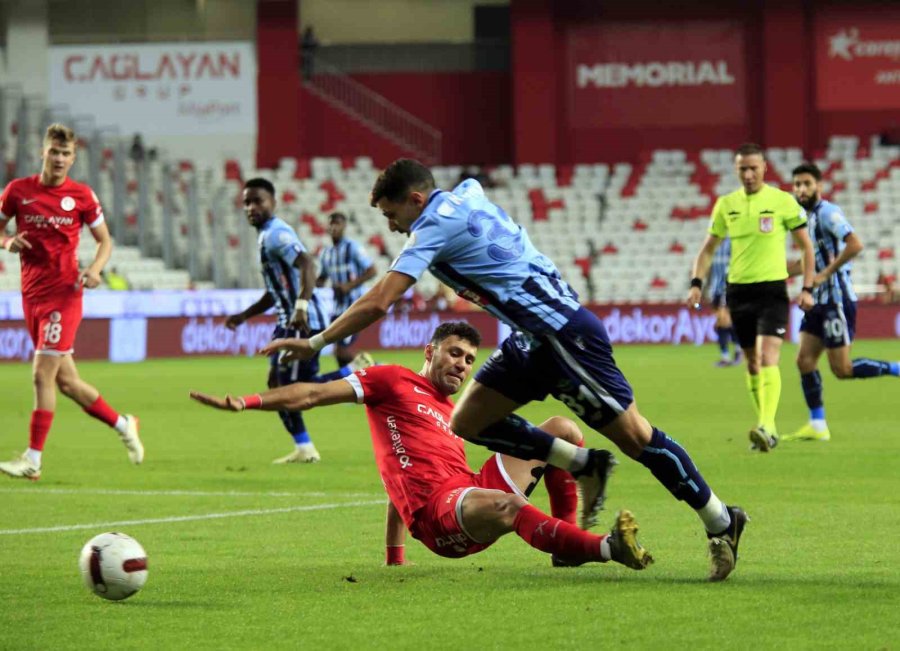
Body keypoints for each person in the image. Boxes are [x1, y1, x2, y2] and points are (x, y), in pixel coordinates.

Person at [260, 159, 746, 582]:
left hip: (561, 332)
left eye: (392, 215)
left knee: (636, 437)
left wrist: (317, 342)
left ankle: (722, 520)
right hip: (527, 339)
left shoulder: (433, 224)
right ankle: (583, 464)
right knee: (468, 422)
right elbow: (472, 187)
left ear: (415, 199)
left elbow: (381, 300)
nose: (392, 227)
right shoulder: (465, 193)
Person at [190, 322, 653, 570]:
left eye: (470, 360)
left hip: (469, 488)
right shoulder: (391, 380)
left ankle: (564, 545)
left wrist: (394, 560)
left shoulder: (460, 411)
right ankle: (606, 548)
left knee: (562, 429)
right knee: (510, 506)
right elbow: (312, 393)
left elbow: (397, 475)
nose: (462, 365)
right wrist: (247, 402)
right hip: (440, 515)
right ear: (429, 351)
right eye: (454, 353)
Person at [0, 123, 143, 480]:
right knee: (67, 384)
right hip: (31, 296)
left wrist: (95, 270)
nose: (60, 159)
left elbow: (105, 241)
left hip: (64, 295)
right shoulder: (18, 191)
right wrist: (7, 243)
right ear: (43, 153)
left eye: (67, 154)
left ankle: (33, 459)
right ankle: (124, 424)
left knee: (40, 374)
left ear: (74, 157)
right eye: (54, 152)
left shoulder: (81, 196)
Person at [224, 178, 371, 465]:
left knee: (293, 391)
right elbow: (276, 291)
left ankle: (354, 372)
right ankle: (304, 446)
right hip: (288, 320)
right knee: (281, 385)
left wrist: (301, 308)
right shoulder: (266, 236)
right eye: (247, 202)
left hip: (301, 322)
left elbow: (308, 264)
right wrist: (244, 316)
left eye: (258, 201)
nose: (251, 207)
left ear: (273, 203)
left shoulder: (277, 234)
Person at [689, 143, 816, 453]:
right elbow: (707, 250)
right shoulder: (726, 205)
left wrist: (807, 287)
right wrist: (696, 283)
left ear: (764, 169)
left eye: (753, 168)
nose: (748, 174)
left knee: (768, 357)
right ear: (736, 171)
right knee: (751, 363)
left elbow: (806, 248)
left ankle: (767, 426)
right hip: (738, 291)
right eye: (742, 169)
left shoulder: (782, 201)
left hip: (772, 290)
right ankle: (765, 426)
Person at [782, 163, 900, 442]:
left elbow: (855, 244)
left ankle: (896, 368)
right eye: (797, 184)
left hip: (835, 300)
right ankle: (818, 423)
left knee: (842, 370)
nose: (801, 189)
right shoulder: (803, 219)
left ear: (818, 186)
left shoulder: (828, 213)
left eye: (806, 184)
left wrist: (824, 274)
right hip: (817, 301)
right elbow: (805, 262)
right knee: (804, 360)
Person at [317, 212, 377, 367]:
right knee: (339, 354)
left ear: (344, 226)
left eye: (338, 223)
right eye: (331, 223)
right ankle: (352, 385)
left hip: (354, 306)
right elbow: (321, 279)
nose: (334, 227)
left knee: (341, 351)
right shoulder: (326, 253)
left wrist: (348, 286)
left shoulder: (353, 248)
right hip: (337, 308)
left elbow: (372, 271)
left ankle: (375, 367)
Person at [707, 237, 742, 367]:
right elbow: (711, 267)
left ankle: (727, 356)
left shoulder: (731, 243)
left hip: (727, 289)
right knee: (723, 325)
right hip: (715, 290)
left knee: (722, 323)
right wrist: (706, 287)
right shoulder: (713, 243)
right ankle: (737, 351)